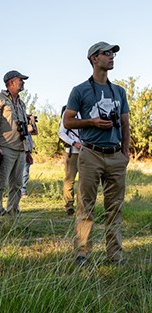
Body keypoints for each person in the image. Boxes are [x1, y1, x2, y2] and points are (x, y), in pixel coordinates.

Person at [64, 42, 130, 265]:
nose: (112, 57)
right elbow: (68, 121)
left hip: (115, 155)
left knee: (115, 207)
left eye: (113, 54)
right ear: (94, 58)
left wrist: (125, 153)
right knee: (86, 205)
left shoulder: (119, 91)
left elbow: (125, 123)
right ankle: (83, 253)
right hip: (91, 153)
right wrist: (91, 121)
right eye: (107, 53)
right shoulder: (80, 90)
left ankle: (115, 255)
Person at [0, 70, 32, 230]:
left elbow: (24, 127)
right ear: (11, 82)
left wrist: (28, 150)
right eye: (21, 80)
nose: (23, 82)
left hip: (20, 150)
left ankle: (12, 219)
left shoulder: (21, 103)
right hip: (4, 149)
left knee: (17, 186)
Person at [58, 107, 81, 216]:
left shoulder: (90, 111)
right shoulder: (69, 112)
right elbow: (61, 133)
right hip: (72, 152)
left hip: (88, 152)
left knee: (86, 180)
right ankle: (69, 206)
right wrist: (74, 143)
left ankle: (83, 205)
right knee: (69, 180)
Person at [20, 114, 38, 197]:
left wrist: (33, 122)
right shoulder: (23, 126)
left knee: (25, 171)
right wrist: (31, 121)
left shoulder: (27, 126)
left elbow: (35, 132)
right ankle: (22, 191)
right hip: (24, 151)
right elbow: (30, 129)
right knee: (24, 171)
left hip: (28, 151)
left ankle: (22, 190)